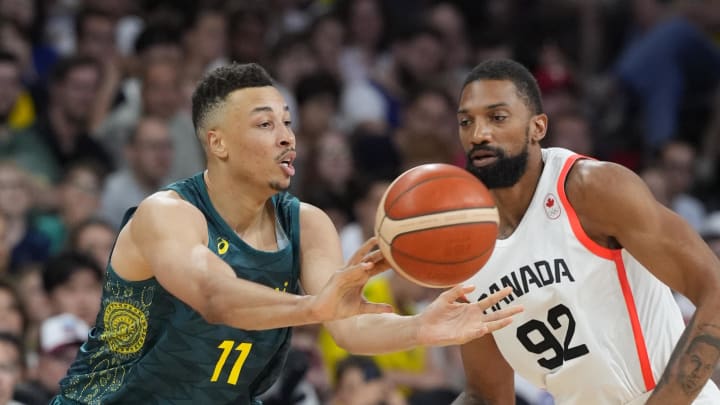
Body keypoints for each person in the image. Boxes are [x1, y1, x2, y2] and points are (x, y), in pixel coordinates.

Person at [51, 62, 521, 404]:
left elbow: (347, 325)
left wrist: (419, 328)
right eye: (265, 124)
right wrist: (313, 307)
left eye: (288, 122)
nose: (287, 137)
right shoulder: (167, 214)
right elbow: (213, 296)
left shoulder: (306, 222)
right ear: (217, 142)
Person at [453, 59, 720, 404]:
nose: (479, 134)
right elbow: (486, 394)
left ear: (537, 127)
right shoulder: (464, 247)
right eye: (465, 122)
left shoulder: (591, 189)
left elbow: (715, 291)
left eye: (497, 117)